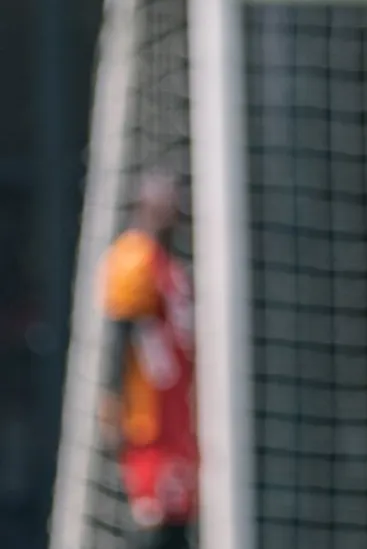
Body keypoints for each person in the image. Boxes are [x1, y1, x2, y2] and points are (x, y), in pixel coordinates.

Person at [99, 170, 197, 549]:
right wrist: (112, 402)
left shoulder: (169, 266)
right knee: (155, 524)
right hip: (149, 423)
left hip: (179, 420)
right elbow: (119, 335)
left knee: (179, 524)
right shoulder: (133, 258)